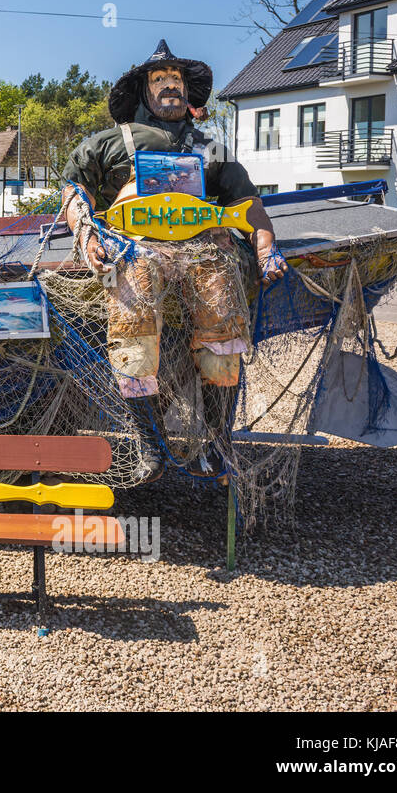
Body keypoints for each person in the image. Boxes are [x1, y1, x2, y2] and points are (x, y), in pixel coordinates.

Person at [60, 40, 289, 482]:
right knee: (134, 319)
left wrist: (265, 247)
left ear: (188, 91)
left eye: (177, 79)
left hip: (203, 247)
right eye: (159, 79)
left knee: (223, 319)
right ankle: (150, 444)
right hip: (137, 247)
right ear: (144, 91)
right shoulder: (109, 143)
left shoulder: (212, 148)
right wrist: (87, 234)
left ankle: (219, 442)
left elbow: (248, 204)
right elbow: (75, 192)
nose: (170, 86)